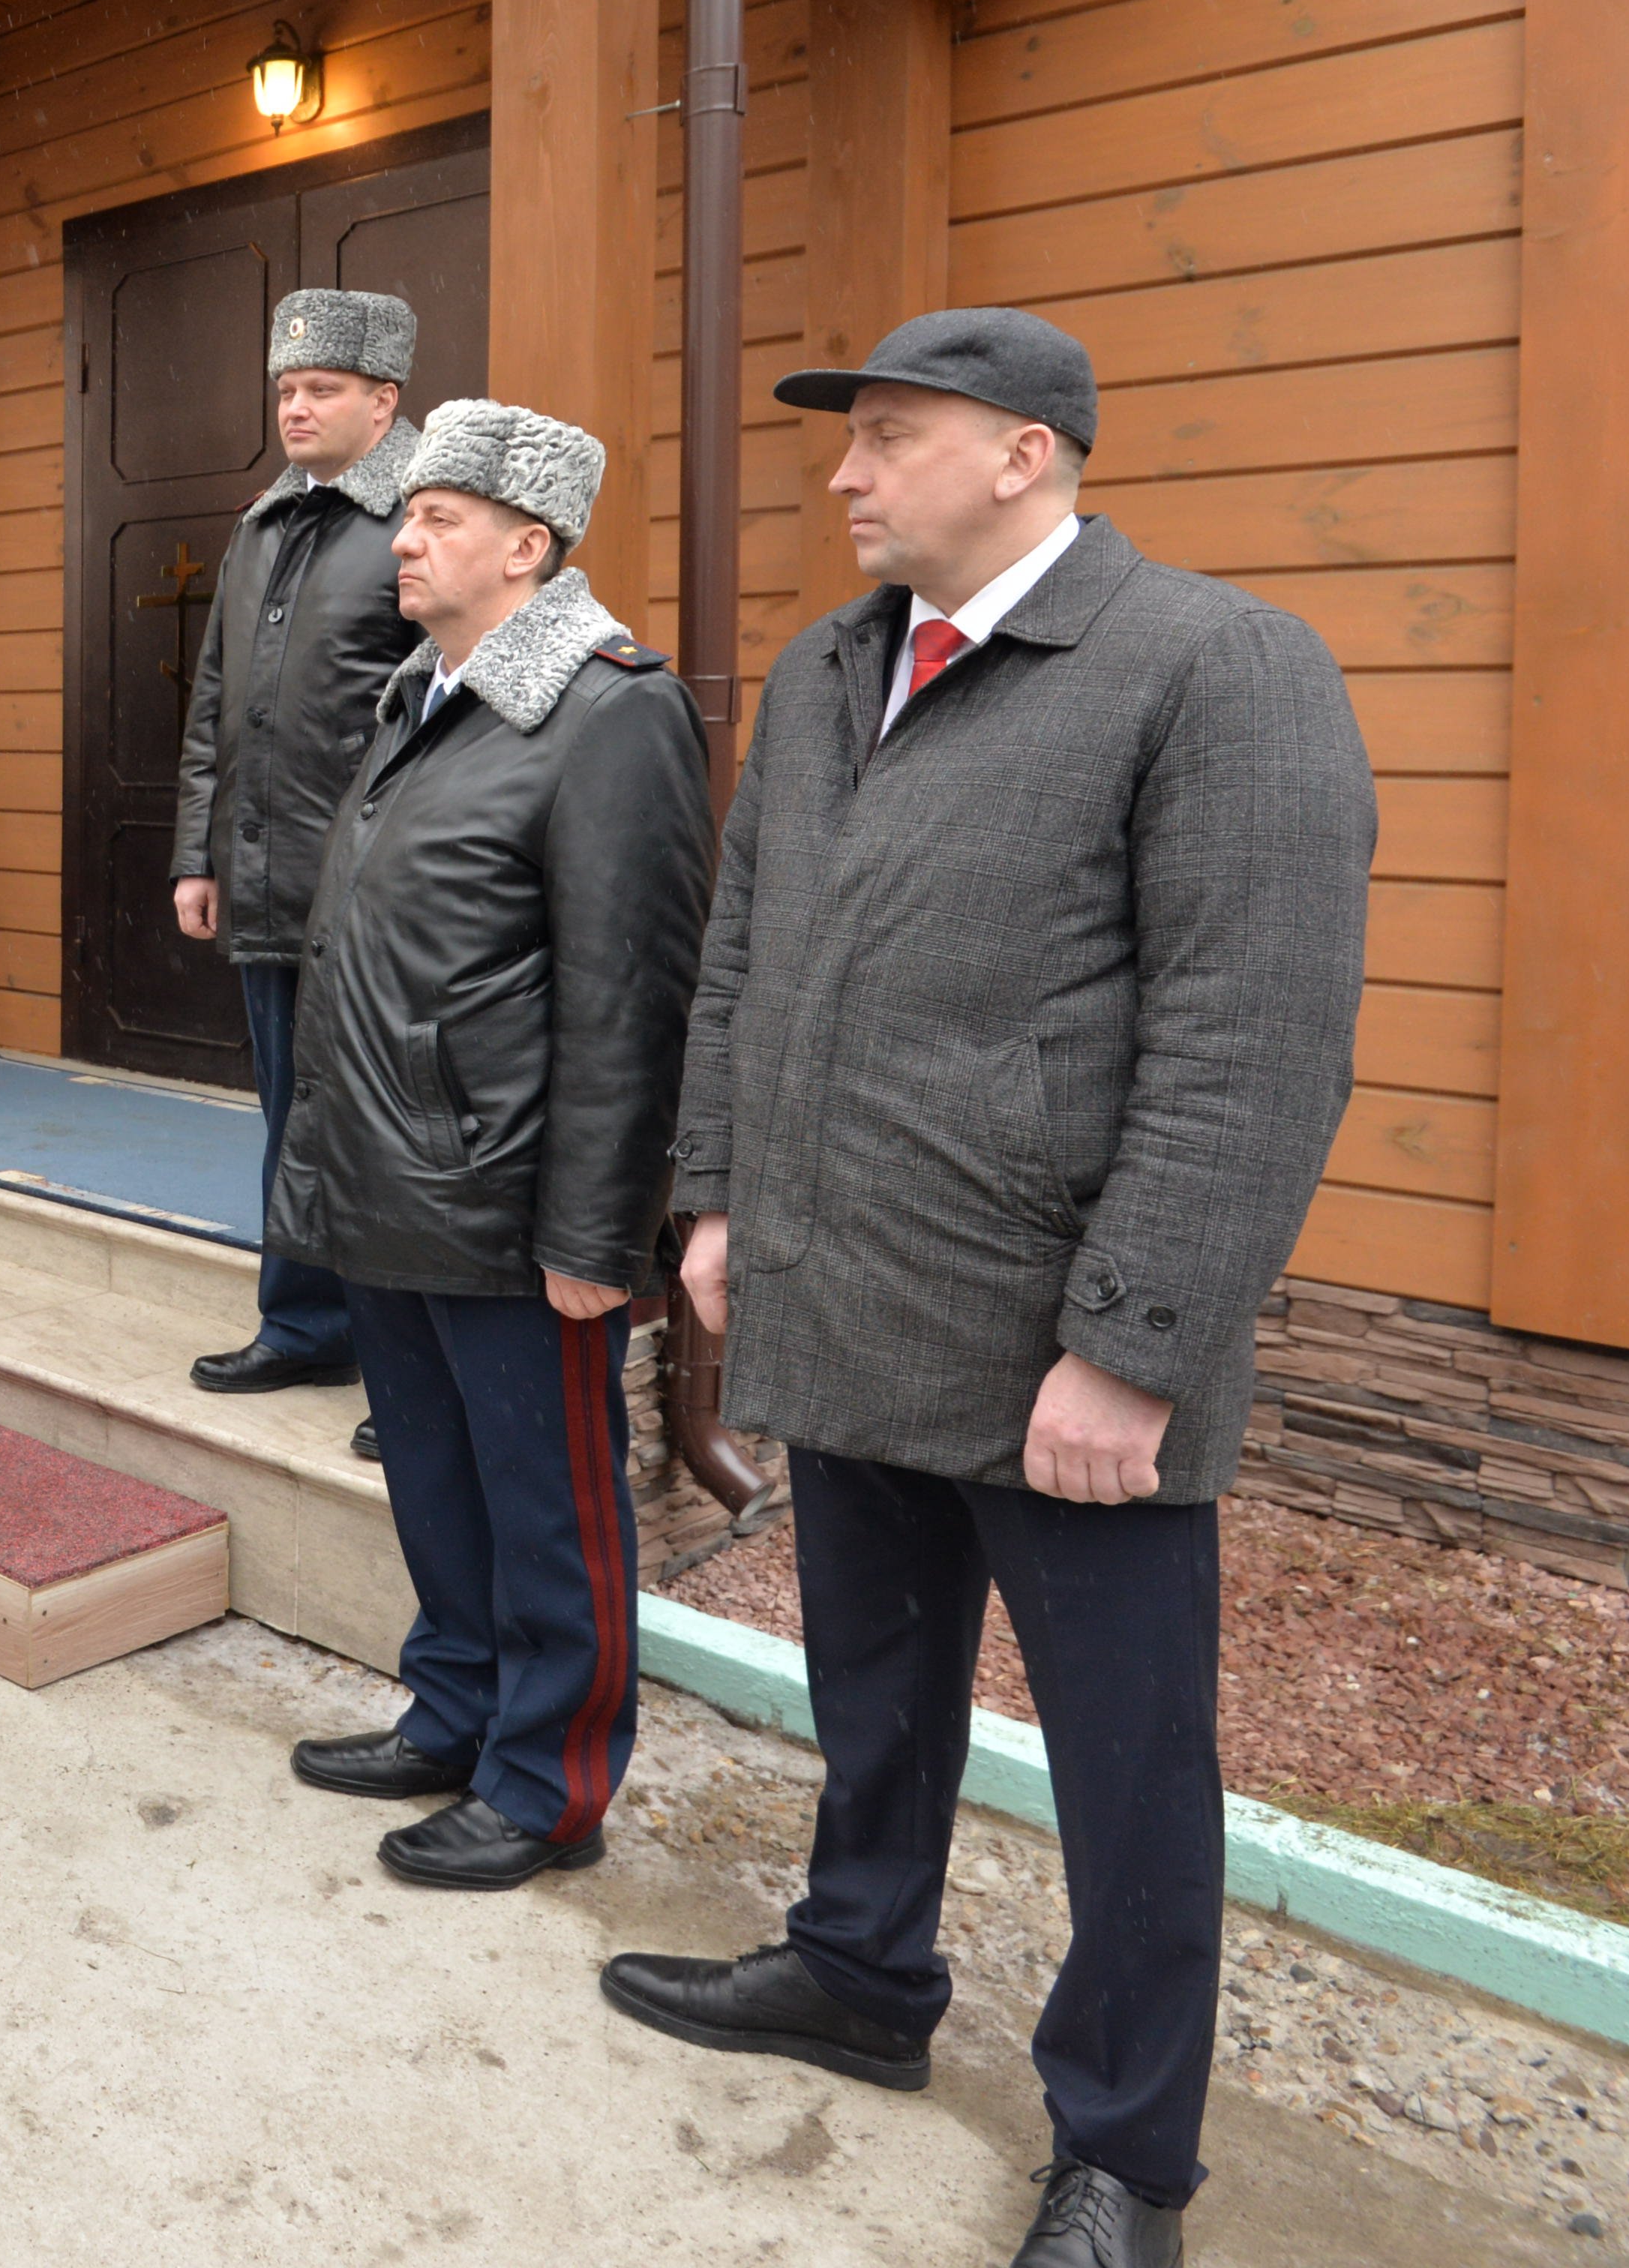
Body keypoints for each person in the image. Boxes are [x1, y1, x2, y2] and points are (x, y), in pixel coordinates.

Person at [599, 310, 1378, 2268]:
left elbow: (1252, 1041)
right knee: (872, 1689)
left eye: (887, 436)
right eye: (847, 440)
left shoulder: (1211, 666)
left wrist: (1135, 1347)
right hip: (842, 1289)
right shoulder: (828, 668)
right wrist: (717, 1194)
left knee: (1128, 1767)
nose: (845, 474)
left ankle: (1126, 2153)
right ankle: (859, 1969)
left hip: (1058, 1351)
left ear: (1024, 453)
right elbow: (744, 959)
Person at [263, 404, 708, 1892]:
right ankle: (451, 1711)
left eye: (436, 518)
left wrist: (597, 1236)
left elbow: (630, 1001)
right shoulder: (422, 694)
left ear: (526, 547)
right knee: (434, 1485)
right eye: (407, 515)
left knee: (542, 1510)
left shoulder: (608, 711)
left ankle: (545, 1781)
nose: (401, 538)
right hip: (389, 1183)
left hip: (509, 1207)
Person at [166, 288, 424, 1414]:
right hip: (266, 883)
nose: (296, 407)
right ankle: (306, 1326)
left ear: (385, 400)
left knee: (381, 1126)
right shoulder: (262, 525)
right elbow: (214, 701)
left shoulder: (421, 519)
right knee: (293, 1117)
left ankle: (410, 1375)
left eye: (324, 387)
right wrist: (197, 855)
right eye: (286, 388)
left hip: (378, 896)